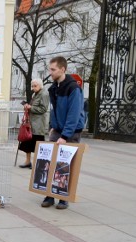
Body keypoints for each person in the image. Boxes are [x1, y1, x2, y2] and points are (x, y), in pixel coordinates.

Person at [41, 56, 86, 210]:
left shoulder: (73, 88)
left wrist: (65, 136)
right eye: (50, 69)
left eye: (53, 69)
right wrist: (53, 127)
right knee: (50, 162)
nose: (50, 72)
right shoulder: (54, 87)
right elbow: (54, 110)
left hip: (71, 132)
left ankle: (63, 198)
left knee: (65, 164)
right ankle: (49, 194)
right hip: (58, 129)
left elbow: (74, 114)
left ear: (63, 69)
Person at [20, 78, 49, 168]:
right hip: (31, 124)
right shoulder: (35, 94)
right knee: (27, 143)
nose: (33, 88)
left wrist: (30, 108)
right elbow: (33, 106)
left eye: (35, 86)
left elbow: (43, 109)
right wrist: (27, 106)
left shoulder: (44, 94)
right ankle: (28, 161)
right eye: (32, 86)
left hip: (38, 125)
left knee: (38, 145)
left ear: (40, 85)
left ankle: (38, 163)